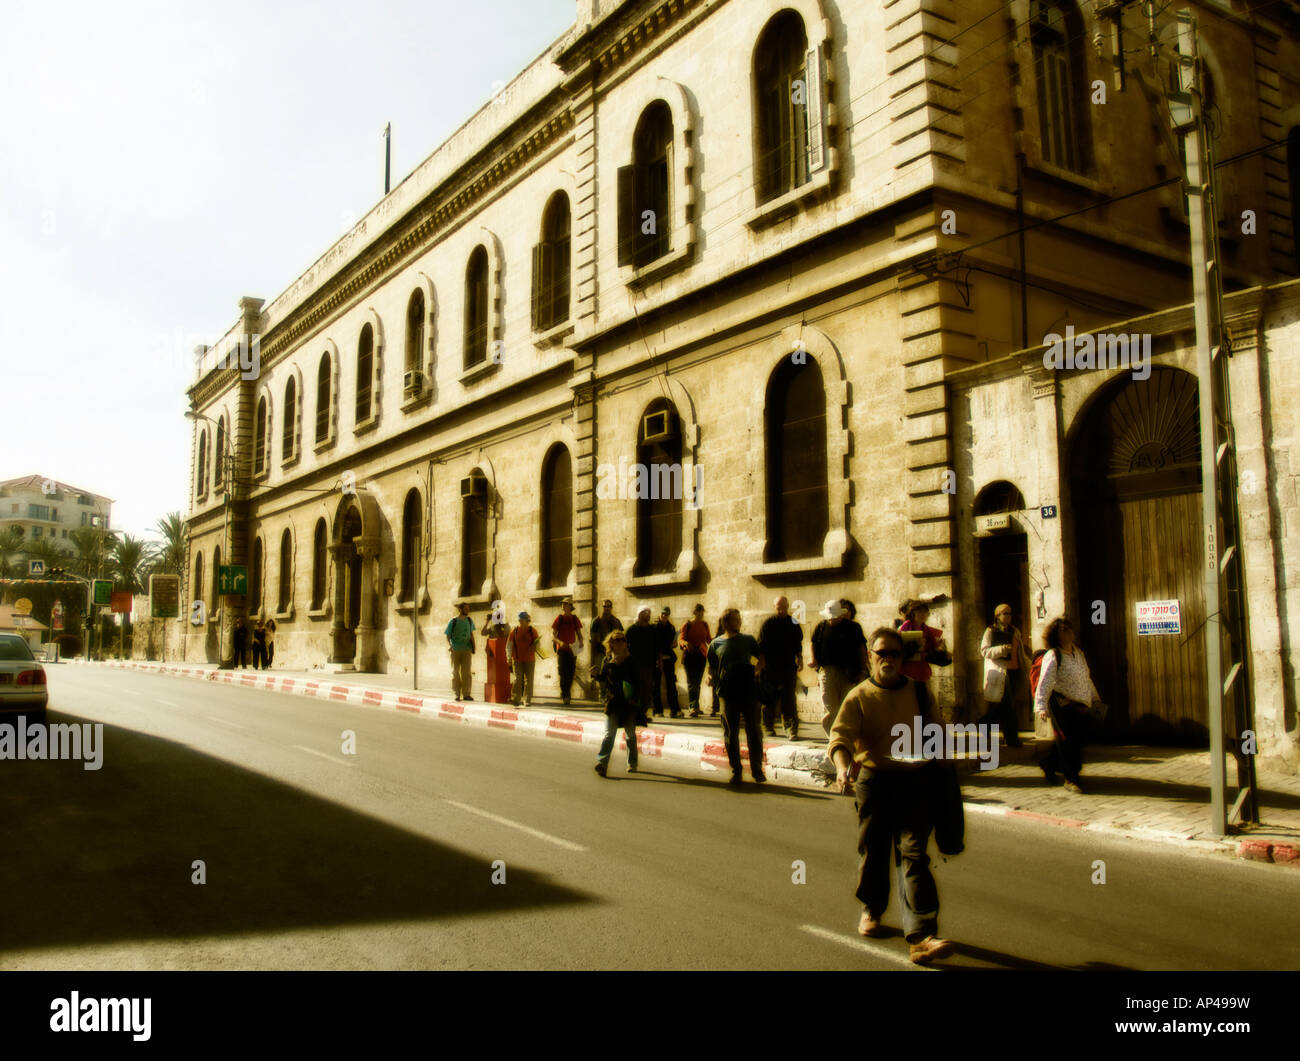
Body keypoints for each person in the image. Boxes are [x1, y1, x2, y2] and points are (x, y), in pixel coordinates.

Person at [829, 626, 955, 965]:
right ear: (869, 657)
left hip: (915, 782)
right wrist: (842, 768)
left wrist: (945, 771)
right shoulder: (858, 696)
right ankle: (872, 908)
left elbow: (937, 735)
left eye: (894, 654)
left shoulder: (919, 692)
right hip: (875, 782)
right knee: (874, 850)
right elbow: (840, 738)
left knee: (914, 853)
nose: (888, 659)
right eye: (881, 653)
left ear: (903, 658)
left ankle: (922, 935)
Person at [1032, 618, 1104, 794]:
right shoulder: (1053, 655)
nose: (1069, 632)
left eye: (1069, 628)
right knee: (1068, 742)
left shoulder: (1078, 653)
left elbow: (1086, 678)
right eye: (1064, 630)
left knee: (1077, 739)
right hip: (1062, 704)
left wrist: (1095, 698)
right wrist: (1041, 706)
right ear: (1056, 635)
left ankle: (1049, 764)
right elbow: (1045, 682)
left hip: (1081, 703)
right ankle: (1071, 778)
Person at [706, 608, 767, 784]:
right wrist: (710, 677)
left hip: (748, 691)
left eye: (739, 619)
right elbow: (711, 668)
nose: (739, 622)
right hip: (727, 693)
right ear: (726, 623)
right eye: (735, 619)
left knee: (754, 730)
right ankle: (736, 770)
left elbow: (761, 659)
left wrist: (756, 671)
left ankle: (757, 770)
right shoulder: (715, 644)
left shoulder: (748, 640)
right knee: (730, 733)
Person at [810, 600, 868, 734]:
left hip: (849, 672)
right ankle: (832, 737)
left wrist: (863, 670)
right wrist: (814, 661)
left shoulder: (853, 628)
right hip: (827, 671)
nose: (832, 620)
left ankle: (846, 735)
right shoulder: (821, 627)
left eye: (835, 617)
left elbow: (861, 648)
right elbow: (813, 643)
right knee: (830, 706)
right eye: (829, 617)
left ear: (841, 615)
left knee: (847, 705)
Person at [978, 604, 1028, 747]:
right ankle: (1011, 738)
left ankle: (984, 723)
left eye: (1010, 613)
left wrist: (1027, 665)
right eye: (1005, 613)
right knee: (1008, 705)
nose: (1008, 616)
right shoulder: (990, 631)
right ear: (997, 616)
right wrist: (1001, 649)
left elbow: (1020, 652)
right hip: (1001, 671)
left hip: (1014, 670)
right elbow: (984, 651)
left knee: (1004, 705)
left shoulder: (1015, 631)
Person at [594, 630, 640, 777]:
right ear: (611, 643)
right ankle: (602, 763)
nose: (620, 642)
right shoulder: (607, 660)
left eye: (622, 640)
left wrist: (636, 699)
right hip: (612, 701)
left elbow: (638, 681)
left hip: (628, 702)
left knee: (630, 734)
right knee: (609, 734)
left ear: (626, 643)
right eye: (616, 640)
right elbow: (604, 679)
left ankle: (632, 762)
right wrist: (595, 675)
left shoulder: (631, 660)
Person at [758, 595, 804, 739]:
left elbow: (798, 644)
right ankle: (768, 726)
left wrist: (800, 658)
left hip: (788, 667)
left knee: (789, 699)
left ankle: (791, 729)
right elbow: (761, 646)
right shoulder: (768, 624)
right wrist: (760, 666)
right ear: (775, 607)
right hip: (771, 667)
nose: (782, 611)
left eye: (784, 608)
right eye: (779, 608)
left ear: (788, 606)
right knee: (769, 699)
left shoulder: (793, 623)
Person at [899, 598, 950, 683]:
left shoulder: (927, 629)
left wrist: (943, 654)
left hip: (921, 670)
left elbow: (932, 651)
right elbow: (900, 651)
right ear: (913, 613)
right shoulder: (905, 627)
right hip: (907, 669)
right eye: (919, 612)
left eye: (925, 612)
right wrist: (915, 645)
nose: (923, 614)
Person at [625, 606, 659, 723]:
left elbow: (657, 647)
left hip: (649, 665)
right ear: (639, 614)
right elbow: (625, 647)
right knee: (636, 691)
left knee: (647, 691)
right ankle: (634, 714)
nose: (648, 615)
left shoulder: (652, 630)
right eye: (646, 612)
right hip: (635, 665)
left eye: (649, 612)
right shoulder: (631, 630)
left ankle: (642, 714)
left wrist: (659, 661)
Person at [678, 604, 712, 718]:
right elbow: (681, 639)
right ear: (695, 612)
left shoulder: (705, 625)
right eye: (699, 611)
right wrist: (686, 643)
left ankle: (695, 706)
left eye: (702, 611)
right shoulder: (687, 624)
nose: (701, 614)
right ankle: (692, 706)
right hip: (690, 655)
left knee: (697, 682)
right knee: (691, 682)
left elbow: (709, 639)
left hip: (701, 655)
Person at [551, 598, 584, 705]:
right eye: (562, 604)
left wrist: (581, 641)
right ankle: (566, 694)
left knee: (571, 672)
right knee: (562, 672)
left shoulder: (574, 619)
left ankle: (566, 692)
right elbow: (553, 636)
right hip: (561, 650)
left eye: (565, 604)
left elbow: (579, 633)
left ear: (570, 606)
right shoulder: (559, 618)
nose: (563, 605)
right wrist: (560, 642)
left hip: (572, 650)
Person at [444, 601, 477, 701]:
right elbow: (447, 635)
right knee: (455, 672)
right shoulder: (453, 621)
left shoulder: (469, 621)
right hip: (455, 650)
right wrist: (449, 645)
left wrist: (474, 646)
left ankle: (466, 694)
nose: (467, 610)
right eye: (466, 609)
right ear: (460, 609)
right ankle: (456, 694)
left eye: (468, 609)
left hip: (466, 650)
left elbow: (471, 634)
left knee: (467, 673)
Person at [655, 606, 683, 718]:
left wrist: (674, 643)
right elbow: (654, 644)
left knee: (671, 684)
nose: (664, 616)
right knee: (656, 685)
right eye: (662, 614)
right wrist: (658, 657)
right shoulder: (654, 627)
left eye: (666, 614)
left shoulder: (671, 627)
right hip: (657, 659)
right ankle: (658, 710)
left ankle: (674, 709)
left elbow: (673, 643)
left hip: (668, 658)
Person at [508, 611, 541, 707]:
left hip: (530, 659)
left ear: (527, 621)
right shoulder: (514, 631)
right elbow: (509, 645)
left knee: (529, 680)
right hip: (517, 659)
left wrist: (534, 647)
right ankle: (515, 699)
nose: (520, 622)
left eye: (522, 620)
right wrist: (509, 657)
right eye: (519, 620)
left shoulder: (532, 631)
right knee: (517, 679)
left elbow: (538, 644)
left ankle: (527, 699)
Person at [590, 599, 623, 675]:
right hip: (600, 652)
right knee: (600, 674)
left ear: (611, 608)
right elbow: (593, 640)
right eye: (605, 606)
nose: (607, 608)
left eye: (609, 606)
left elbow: (621, 636)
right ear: (602, 607)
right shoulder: (596, 621)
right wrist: (593, 660)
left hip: (614, 652)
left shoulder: (616, 621)